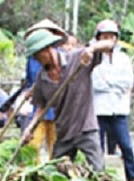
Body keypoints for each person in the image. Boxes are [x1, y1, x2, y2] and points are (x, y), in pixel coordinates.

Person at [20, 28, 115, 171]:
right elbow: (41, 107)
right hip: (63, 132)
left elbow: (110, 44)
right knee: (54, 174)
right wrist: (30, 128)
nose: (36, 59)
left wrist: (91, 49)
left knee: (98, 171)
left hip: (86, 129)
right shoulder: (42, 78)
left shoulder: (77, 58)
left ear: (47, 49)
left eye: (37, 55)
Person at [92, 19, 134, 181]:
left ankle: (132, 178)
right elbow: (95, 83)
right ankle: (99, 177)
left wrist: (109, 82)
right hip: (99, 109)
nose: (108, 40)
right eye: (104, 36)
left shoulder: (123, 58)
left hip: (119, 109)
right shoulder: (93, 58)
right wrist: (115, 84)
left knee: (126, 146)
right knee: (98, 147)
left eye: (111, 37)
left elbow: (128, 82)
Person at [24, 19, 67, 161]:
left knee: (54, 146)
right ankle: (33, 171)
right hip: (40, 106)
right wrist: (30, 90)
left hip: (57, 111)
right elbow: (31, 79)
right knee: (33, 143)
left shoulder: (62, 57)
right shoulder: (32, 58)